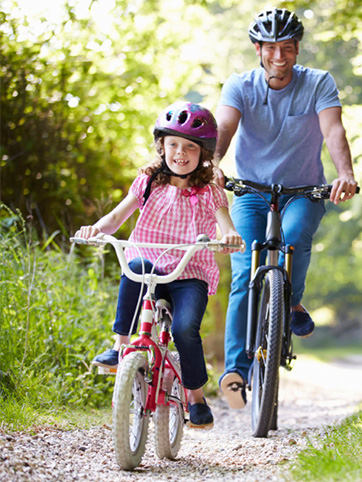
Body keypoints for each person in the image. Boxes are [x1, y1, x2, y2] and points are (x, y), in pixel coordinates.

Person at [213, 7, 358, 410]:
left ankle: (290, 300)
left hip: (304, 190)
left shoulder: (318, 83)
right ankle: (235, 371)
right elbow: (224, 127)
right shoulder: (239, 86)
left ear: (297, 50)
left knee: (294, 240)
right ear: (258, 49)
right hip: (251, 191)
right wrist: (213, 164)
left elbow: (333, 130)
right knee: (245, 269)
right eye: (272, 48)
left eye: (288, 48)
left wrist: (344, 173)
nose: (280, 56)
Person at [76, 102, 243, 429]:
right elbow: (115, 217)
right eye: (173, 145)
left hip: (188, 274)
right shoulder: (148, 182)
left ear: (203, 153)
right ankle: (120, 345)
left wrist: (231, 236)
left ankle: (195, 397)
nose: (180, 152)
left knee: (184, 330)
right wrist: (95, 229)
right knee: (133, 264)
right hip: (149, 268)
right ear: (162, 147)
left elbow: (226, 224)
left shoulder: (209, 191)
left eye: (190, 147)